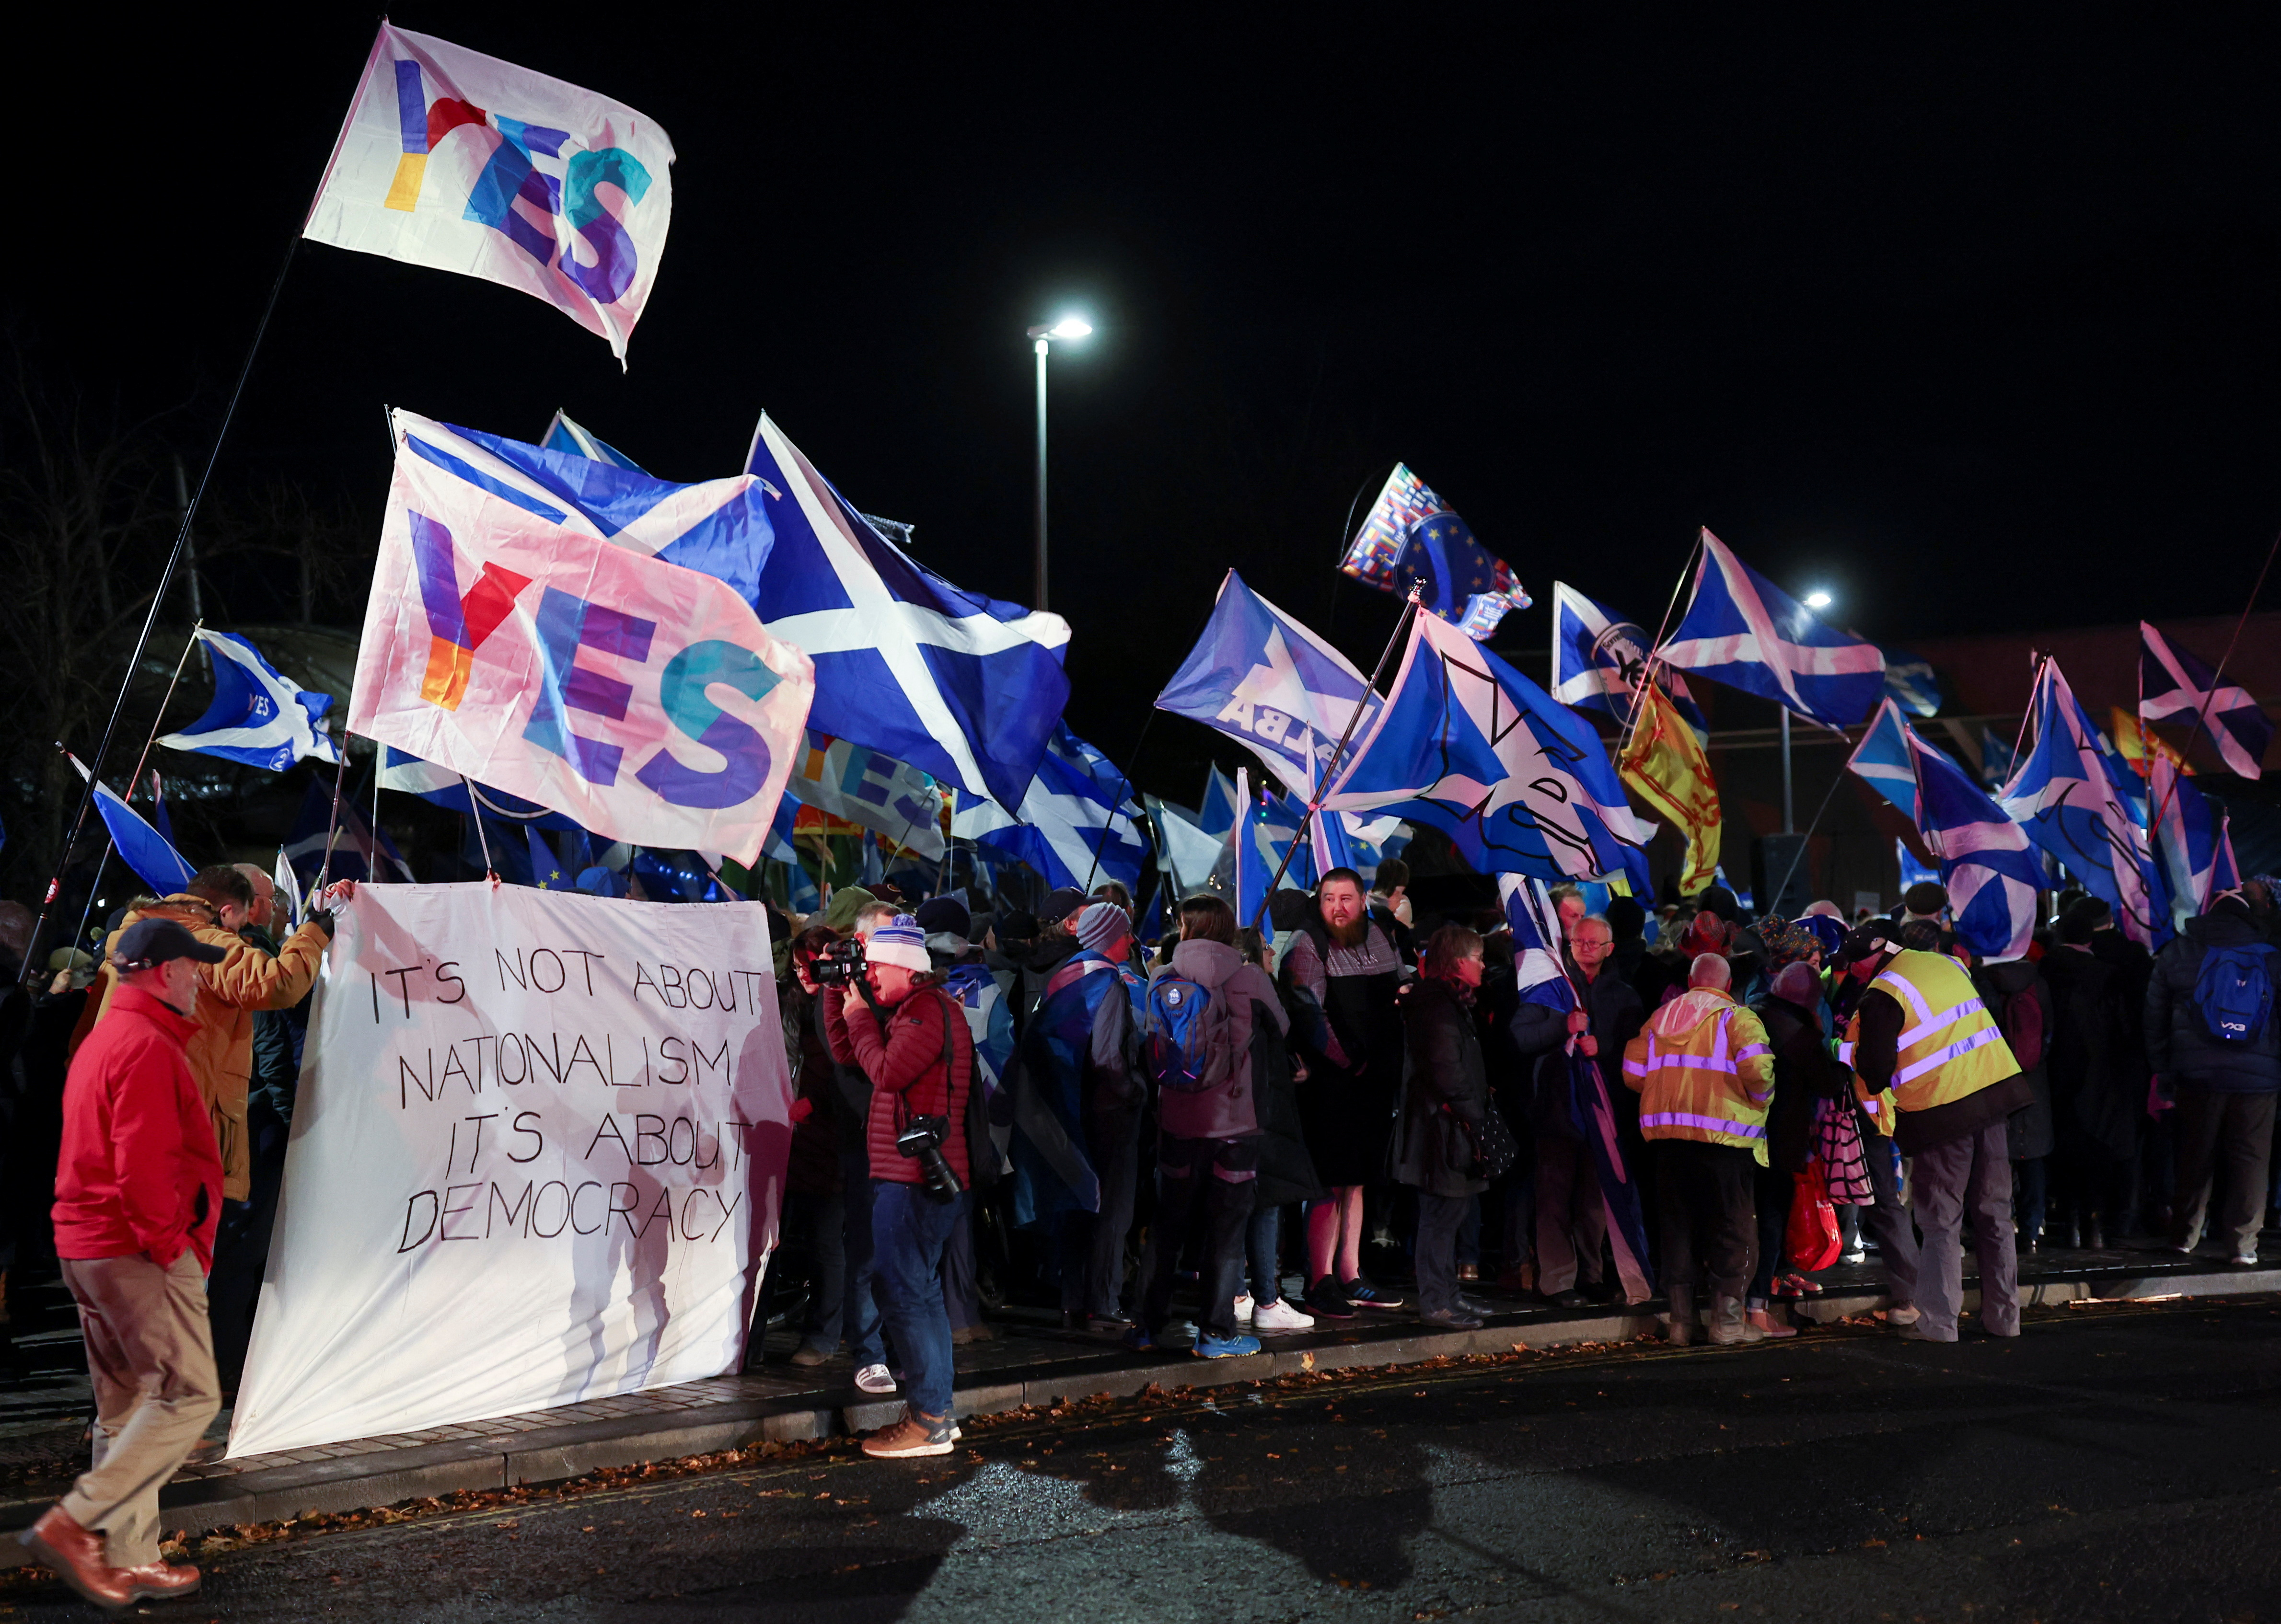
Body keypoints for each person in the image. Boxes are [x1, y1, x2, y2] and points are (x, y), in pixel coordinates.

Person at [21, 919, 231, 1609]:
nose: (199, 977)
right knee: (190, 1394)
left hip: (88, 1243)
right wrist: (174, 1244)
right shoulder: (147, 1044)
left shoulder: (109, 1034)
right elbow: (142, 1164)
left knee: (125, 1406)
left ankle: (132, 1557)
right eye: (191, 966)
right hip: (134, 1248)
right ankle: (74, 1522)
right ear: (162, 971)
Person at [80, 866, 332, 1207]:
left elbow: (83, 1039)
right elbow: (278, 983)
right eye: (240, 924)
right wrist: (314, 932)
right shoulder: (206, 942)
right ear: (226, 911)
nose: (239, 932)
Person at [1837, 922, 2029, 1342]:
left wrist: (1842, 1049)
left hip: (1941, 1114)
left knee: (1940, 1220)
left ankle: (1939, 1324)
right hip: (1992, 1098)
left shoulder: (1882, 993)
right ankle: (2005, 1319)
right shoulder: (1946, 964)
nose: (1853, 973)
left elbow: (1874, 1069)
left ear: (1871, 957)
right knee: (1994, 1214)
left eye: (1855, 964)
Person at [843, 917, 975, 1460]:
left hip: (915, 1176)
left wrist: (857, 1016)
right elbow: (851, 1051)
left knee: (909, 1295)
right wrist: (841, 1001)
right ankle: (934, 1410)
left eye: (876, 967)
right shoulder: (913, 1009)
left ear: (905, 967)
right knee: (916, 1293)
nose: (869, 975)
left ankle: (929, 1420)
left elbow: (887, 1071)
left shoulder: (924, 1012)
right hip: (905, 1174)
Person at [1131, 894, 1281, 1357]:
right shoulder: (1249, 976)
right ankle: (1215, 1333)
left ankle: (1145, 1327)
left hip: (1177, 1120)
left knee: (1167, 1226)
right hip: (1235, 1125)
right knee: (1226, 1230)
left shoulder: (1162, 976)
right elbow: (1283, 1025)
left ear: (1185, 926)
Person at [1621, 952, 1775, 1346]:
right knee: (1733, 1231)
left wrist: (1667, 1094)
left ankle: (1680, 1323)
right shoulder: (1736, 1017)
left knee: (1678, 1231)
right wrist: (1760, 1101)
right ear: (1726, 985)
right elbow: (1758, 1071)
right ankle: (1726, 1325)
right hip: (1725, 1143)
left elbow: (1633, 1073)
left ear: (1691, 981)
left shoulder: (1660, 1018)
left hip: (1669, 1144)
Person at [1281, 868, 1408, 1319]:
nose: (1338, 906)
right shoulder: (1306, 945)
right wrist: (1348, 1059)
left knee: (1356, 1181)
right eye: (1329, 897)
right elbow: (1309, 1014)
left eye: (1346, 898)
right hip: (1330, 1085)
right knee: (1328, 1182)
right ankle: (1320, 1280)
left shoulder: (1379, 937)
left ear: (1362, 899)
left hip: (1373, 1084)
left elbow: (1395, 987)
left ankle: (1351, 1273)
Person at [1025, 902, 1148, 1331]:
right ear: (1113, 936)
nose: (1131, 941)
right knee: (1114, 1209)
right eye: (1126, 932)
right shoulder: (1108, 982)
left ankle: (1073, 1299)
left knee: (1081, 1200)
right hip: (1109, 1111)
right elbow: (1111, 1056)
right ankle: (1105, 1303)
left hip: (1068, 1106)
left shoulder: (1062, 977)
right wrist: (1135, 1091)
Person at [1511, 914, 1644, 1307]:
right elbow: (1519, 1037)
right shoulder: (1549, 989)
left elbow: (1638, 1053)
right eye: (1578, 941)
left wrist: (1604, 1050)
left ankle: (1590, 1275)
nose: (1584, 948)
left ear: (1609, 949)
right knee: (1552, 1197)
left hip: (1603, 1114)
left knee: (1592, 1200)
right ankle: (1556, 1281)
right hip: (1555, 1109)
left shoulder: (1624, 996)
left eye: (1592, 943)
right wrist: (1562, 1028)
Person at [2145, 891, 2279, 1266]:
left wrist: (2162, 1068)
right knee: (2251, 1160)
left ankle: (2184, 1236)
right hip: (2258, 1080)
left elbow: (2153, 1015)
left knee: (2194, 1154)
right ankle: (2243, 1245)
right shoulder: (2270, 956)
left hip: (2195, 1073)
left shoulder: (2180, 951)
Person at [1392, 923, 1498, 1329]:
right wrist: (1475, 1114)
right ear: (1459, 962)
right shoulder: (1437, 1005)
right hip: (1441, 1127)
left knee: (1452, 1212)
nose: (1484, 966)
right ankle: (1435, 1300)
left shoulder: (1448, 1001)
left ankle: (1448, 1294)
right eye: (1479, 958)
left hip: (1449, 1123)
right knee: (1440, 1214)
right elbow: (1445, 1069)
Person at [1745, 961, 1849, 1337]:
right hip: (1781, 1143)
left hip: (1739, 1134)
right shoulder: (1802, 1036)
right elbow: (1829, 1083)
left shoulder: (1751, 1014)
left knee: (1739, 1222)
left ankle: (1738, 1302)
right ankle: (1757, 1309)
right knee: (1771, 1224)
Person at [1232, 926, 1320, 1332]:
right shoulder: (1255, 982)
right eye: (1267, 948)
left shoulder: (1205, 983)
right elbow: (1278, 1030)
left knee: (1232, 1205)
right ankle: (1267, 1298)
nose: (1273, 954)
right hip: (1261, 1109)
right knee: (1265, 1205)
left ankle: (1236, 1294)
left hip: (1223, 1111)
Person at [2040, 898, 2139, 1247]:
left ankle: (2067, 1223)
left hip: (2055, 1075)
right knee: (2097, 1152)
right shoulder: (2107, 976)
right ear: (2090, 940)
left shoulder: (2045, 970)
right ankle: (2095, 1223)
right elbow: (2124, 1030)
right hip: (2101, 1078)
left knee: (2063, 1151)